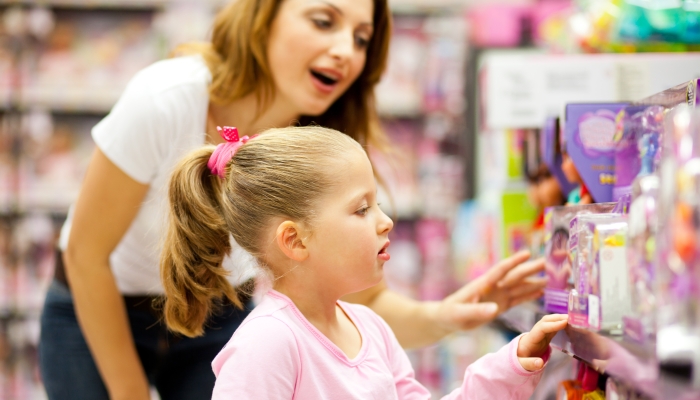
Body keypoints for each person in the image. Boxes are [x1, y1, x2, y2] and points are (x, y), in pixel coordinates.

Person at [39, 0, 545, 399]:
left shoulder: (319, 144)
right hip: (98, 305)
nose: (346, 49)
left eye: (362, 38)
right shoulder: (166, 98)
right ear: (265, 17)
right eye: (324, 21)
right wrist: (129, 393)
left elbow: (355, 305)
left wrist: (449, 316)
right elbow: (85, 253)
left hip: (217, 309)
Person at [161, 125, 569, 399]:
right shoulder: (268, 344)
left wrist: (507, 368)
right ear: (295, 240)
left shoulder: (370, 328)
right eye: (361, 209)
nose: (386, 220)